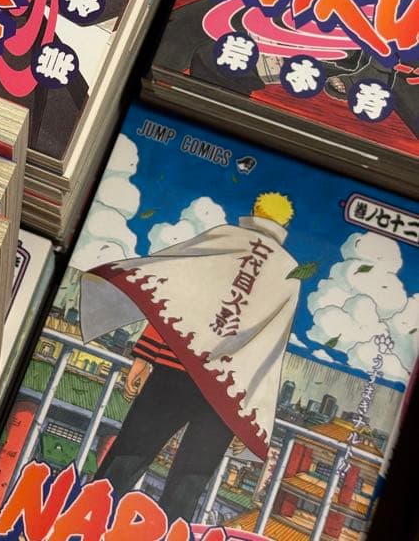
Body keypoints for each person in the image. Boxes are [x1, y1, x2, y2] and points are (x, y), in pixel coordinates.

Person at [79, 192, 301, 522]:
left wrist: (144, 355)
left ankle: (85, 522)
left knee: (129, 454)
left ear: (255, 210)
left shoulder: (225, 237)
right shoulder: (290, 273)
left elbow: (170, 295)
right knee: (189, 483)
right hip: (227, 392)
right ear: (285, 224)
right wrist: (248, 415)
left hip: (176, 369)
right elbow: (268, 352)